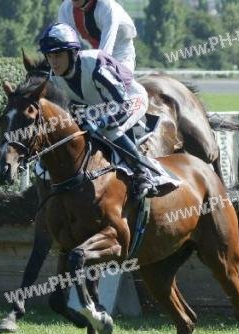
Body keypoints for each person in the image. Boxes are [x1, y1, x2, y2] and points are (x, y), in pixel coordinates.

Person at [38, 22, 157, 200]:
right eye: (49, 56)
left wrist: (102, 121)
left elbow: (122, 103)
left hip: (131, 99)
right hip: (99, 107)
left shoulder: (95, 64)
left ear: (72, 53)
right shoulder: (54, 78)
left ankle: (143, 173)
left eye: (58, 55)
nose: (53, 62)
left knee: (109, 128)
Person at [58, 0, 138, 72]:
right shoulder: (66, 8)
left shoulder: (107, 6)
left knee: (117, 80)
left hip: (121, 53)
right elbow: (63, 46)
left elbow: (105, 53)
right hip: (95, 52)